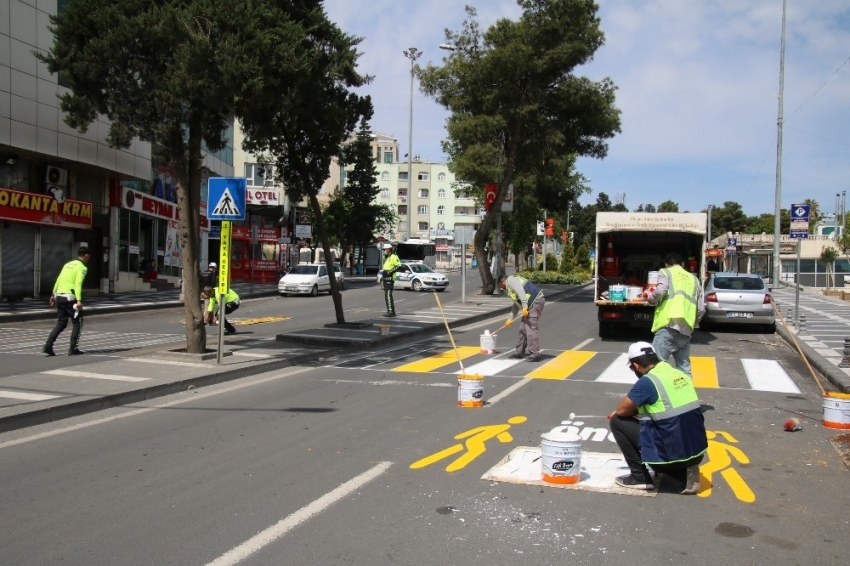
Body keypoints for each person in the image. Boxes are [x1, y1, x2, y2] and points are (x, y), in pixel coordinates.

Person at [608, 341, 707, 494]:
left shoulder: (648, 382)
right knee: (665, 428)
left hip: (674, 454)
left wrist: (630, 411)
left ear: (636, 365)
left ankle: (640, 477)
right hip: (697, 451)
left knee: (617, 421)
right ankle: (684, 473)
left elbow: (621, 410)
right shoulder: (677, 373)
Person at [644, 253, 704, 377]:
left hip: (668, 324)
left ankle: (659, 395)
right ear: (683, 264)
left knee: (657, 366)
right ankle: (688, 395)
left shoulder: (666, 272)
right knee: (684, 368)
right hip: (686, 329)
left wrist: (651, 299)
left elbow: (660, 291)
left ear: (666, 264)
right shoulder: (694, 279)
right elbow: (701, 309)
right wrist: (692, 324)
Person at [43, 246, 91, 356]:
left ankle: (48, 346)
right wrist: (79, 300)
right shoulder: (82, 267)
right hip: (70, 298)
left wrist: (53, 294)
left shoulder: (67, 265)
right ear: (86, 255)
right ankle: (73, 348)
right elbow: (78, 284)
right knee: (77, 323)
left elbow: (58, 279)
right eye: (89, 256)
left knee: (61, 323)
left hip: (59, 296)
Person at [497, 274, 545, 362]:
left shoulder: (511, 281)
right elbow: (516, 304)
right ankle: (519, 352)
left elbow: (520, 291)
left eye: (500, 286)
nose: (501, 288)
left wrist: (525, 306)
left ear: (503, 282)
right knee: (523, 329)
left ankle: (535, 354)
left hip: (536, 301)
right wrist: (510, 318)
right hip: (530, 305)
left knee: (530, 329)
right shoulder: (510, 289)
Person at [380, 245, 401, 317]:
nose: (385, 251)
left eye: (386, 249)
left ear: (389, 249)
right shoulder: (388, 258)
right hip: (386, 280)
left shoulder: (393, 257)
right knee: (387, 296)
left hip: (389, 279)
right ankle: (390, 310)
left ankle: (391, 311)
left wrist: (390, 271)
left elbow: (398, 265)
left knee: (388, 296)